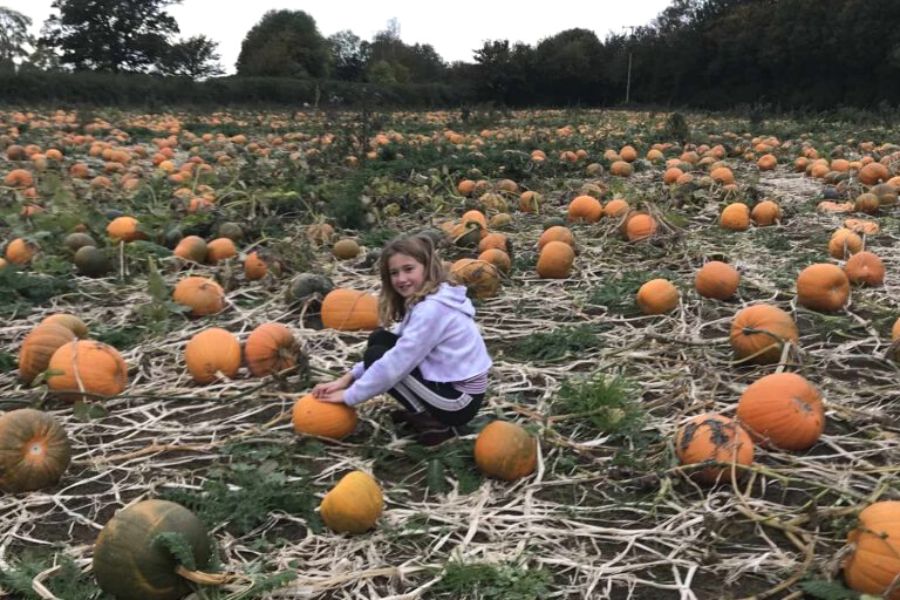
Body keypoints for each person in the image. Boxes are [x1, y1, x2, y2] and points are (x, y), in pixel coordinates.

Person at [312, 233, 492, 445]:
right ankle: (426, 411)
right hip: (448, 386)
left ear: (426, 267)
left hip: (459, 402)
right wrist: (347, 379)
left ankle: (435, 422)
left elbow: (395, 363)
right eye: (394, 273)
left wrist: (349, 396)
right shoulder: (430, 298)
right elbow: (398, 344)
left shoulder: (432, 310)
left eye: (409, 269)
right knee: (381, 339)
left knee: (379, 356)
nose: (401, 279)